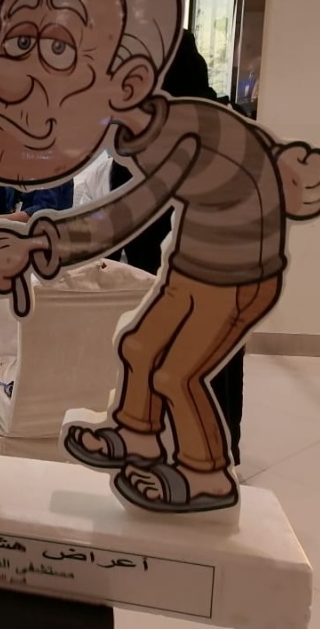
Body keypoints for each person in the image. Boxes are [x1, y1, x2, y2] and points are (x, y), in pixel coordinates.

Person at [0, 0, 320, 513]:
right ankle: (136, 432)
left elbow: (122, 217)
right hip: (193, 264)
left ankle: (207, 474)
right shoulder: (155, 132)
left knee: (177, 374)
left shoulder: (189, 136)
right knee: (137, 345)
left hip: (235, 277)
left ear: (138, 82)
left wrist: (36, 244)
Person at [107, 29, 247, 465]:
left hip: (177, 277)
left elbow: (122, 226)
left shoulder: (156, 140)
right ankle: (222, 453)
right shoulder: (227, 125)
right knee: (217, 364)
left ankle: (189, 457)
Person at [0, 180, 74, 227]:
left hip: (46, 244)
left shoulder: (55, 167)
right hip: (13, 240)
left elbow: (41, 213)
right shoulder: (11, 163)